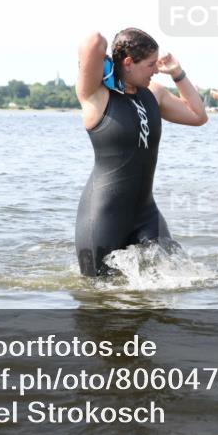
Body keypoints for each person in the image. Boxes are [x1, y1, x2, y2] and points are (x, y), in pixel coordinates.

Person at [74, 28, 207, 277]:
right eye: (150, 65)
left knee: (180, 279)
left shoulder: (153, 94)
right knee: (99, 298)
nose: (156, 70)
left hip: (147, 214)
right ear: (127, 63)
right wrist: (109, 67)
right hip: (103, 217)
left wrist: (178, 74)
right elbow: (93, 40)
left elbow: (198, 116)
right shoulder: (97, 97)